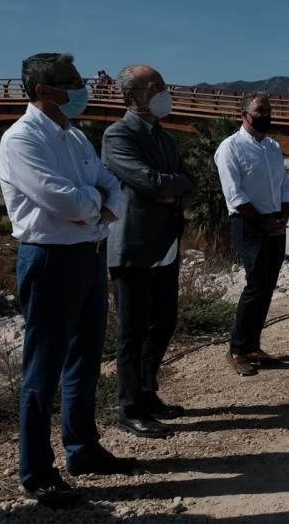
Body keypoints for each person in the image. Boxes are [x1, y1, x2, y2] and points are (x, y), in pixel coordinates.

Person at [0, 53, 134, 505]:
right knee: (44, 368)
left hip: (89, 255)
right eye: (72, 82)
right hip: (51, 260)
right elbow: (64, 202)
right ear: (43, 90)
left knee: (85, 359)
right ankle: (36, 470)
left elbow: (107, 184)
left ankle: (82, 448)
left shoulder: (74, 137)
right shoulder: (21, 139)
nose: (83, 88)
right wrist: (93, 205)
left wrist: (92, 205)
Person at [102, 64, 198, 439]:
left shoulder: (163, 135)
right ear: (133, 97)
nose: (162, 90)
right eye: (153, 86)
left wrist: (170, 187)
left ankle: (147, 391)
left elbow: (186, 182)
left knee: (164, 321)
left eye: (162, 83)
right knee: (132, 330)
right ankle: (130, 407)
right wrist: (170, 186)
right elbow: (146, 180)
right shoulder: (117, 134)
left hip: (166, 242)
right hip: (134, 245)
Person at [215, 93, 289, 376]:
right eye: (261, 110)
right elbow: (235, 194)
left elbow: (284, 184)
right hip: (249, 225)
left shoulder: (272, 147)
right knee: (256, 284)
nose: (266, 114)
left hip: (274, 223)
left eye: (269, 109)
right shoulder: (230, 148)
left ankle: (253, 345)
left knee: (268, 284)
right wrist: (262, 222)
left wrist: (284, 214)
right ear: (244, 114)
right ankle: (237, 348)